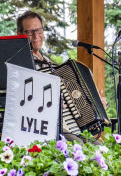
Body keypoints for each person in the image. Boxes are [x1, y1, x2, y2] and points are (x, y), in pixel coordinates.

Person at [16, 10, 105, 143]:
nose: (36, 36)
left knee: (100, 147)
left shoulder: (49, 63)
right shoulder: (20, 64)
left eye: (39, 31)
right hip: (46, 127)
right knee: (79, 146)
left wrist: (95, 105)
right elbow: (20, 99)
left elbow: (73, 98)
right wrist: (52, 103)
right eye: (30, 32)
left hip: (69, 126)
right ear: (20, 34)